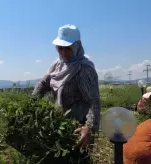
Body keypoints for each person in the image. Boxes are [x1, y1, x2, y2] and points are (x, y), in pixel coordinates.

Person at [32, 24, 100, 163]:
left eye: (67, 48)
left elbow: (93, 101)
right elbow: (43, 83)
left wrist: (89, 128)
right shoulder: (58, 64)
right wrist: (31, 103)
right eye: (59, 47)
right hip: (60, 123)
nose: (62, 52)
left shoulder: (84, 69)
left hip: (78, 128)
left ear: (76, 46)